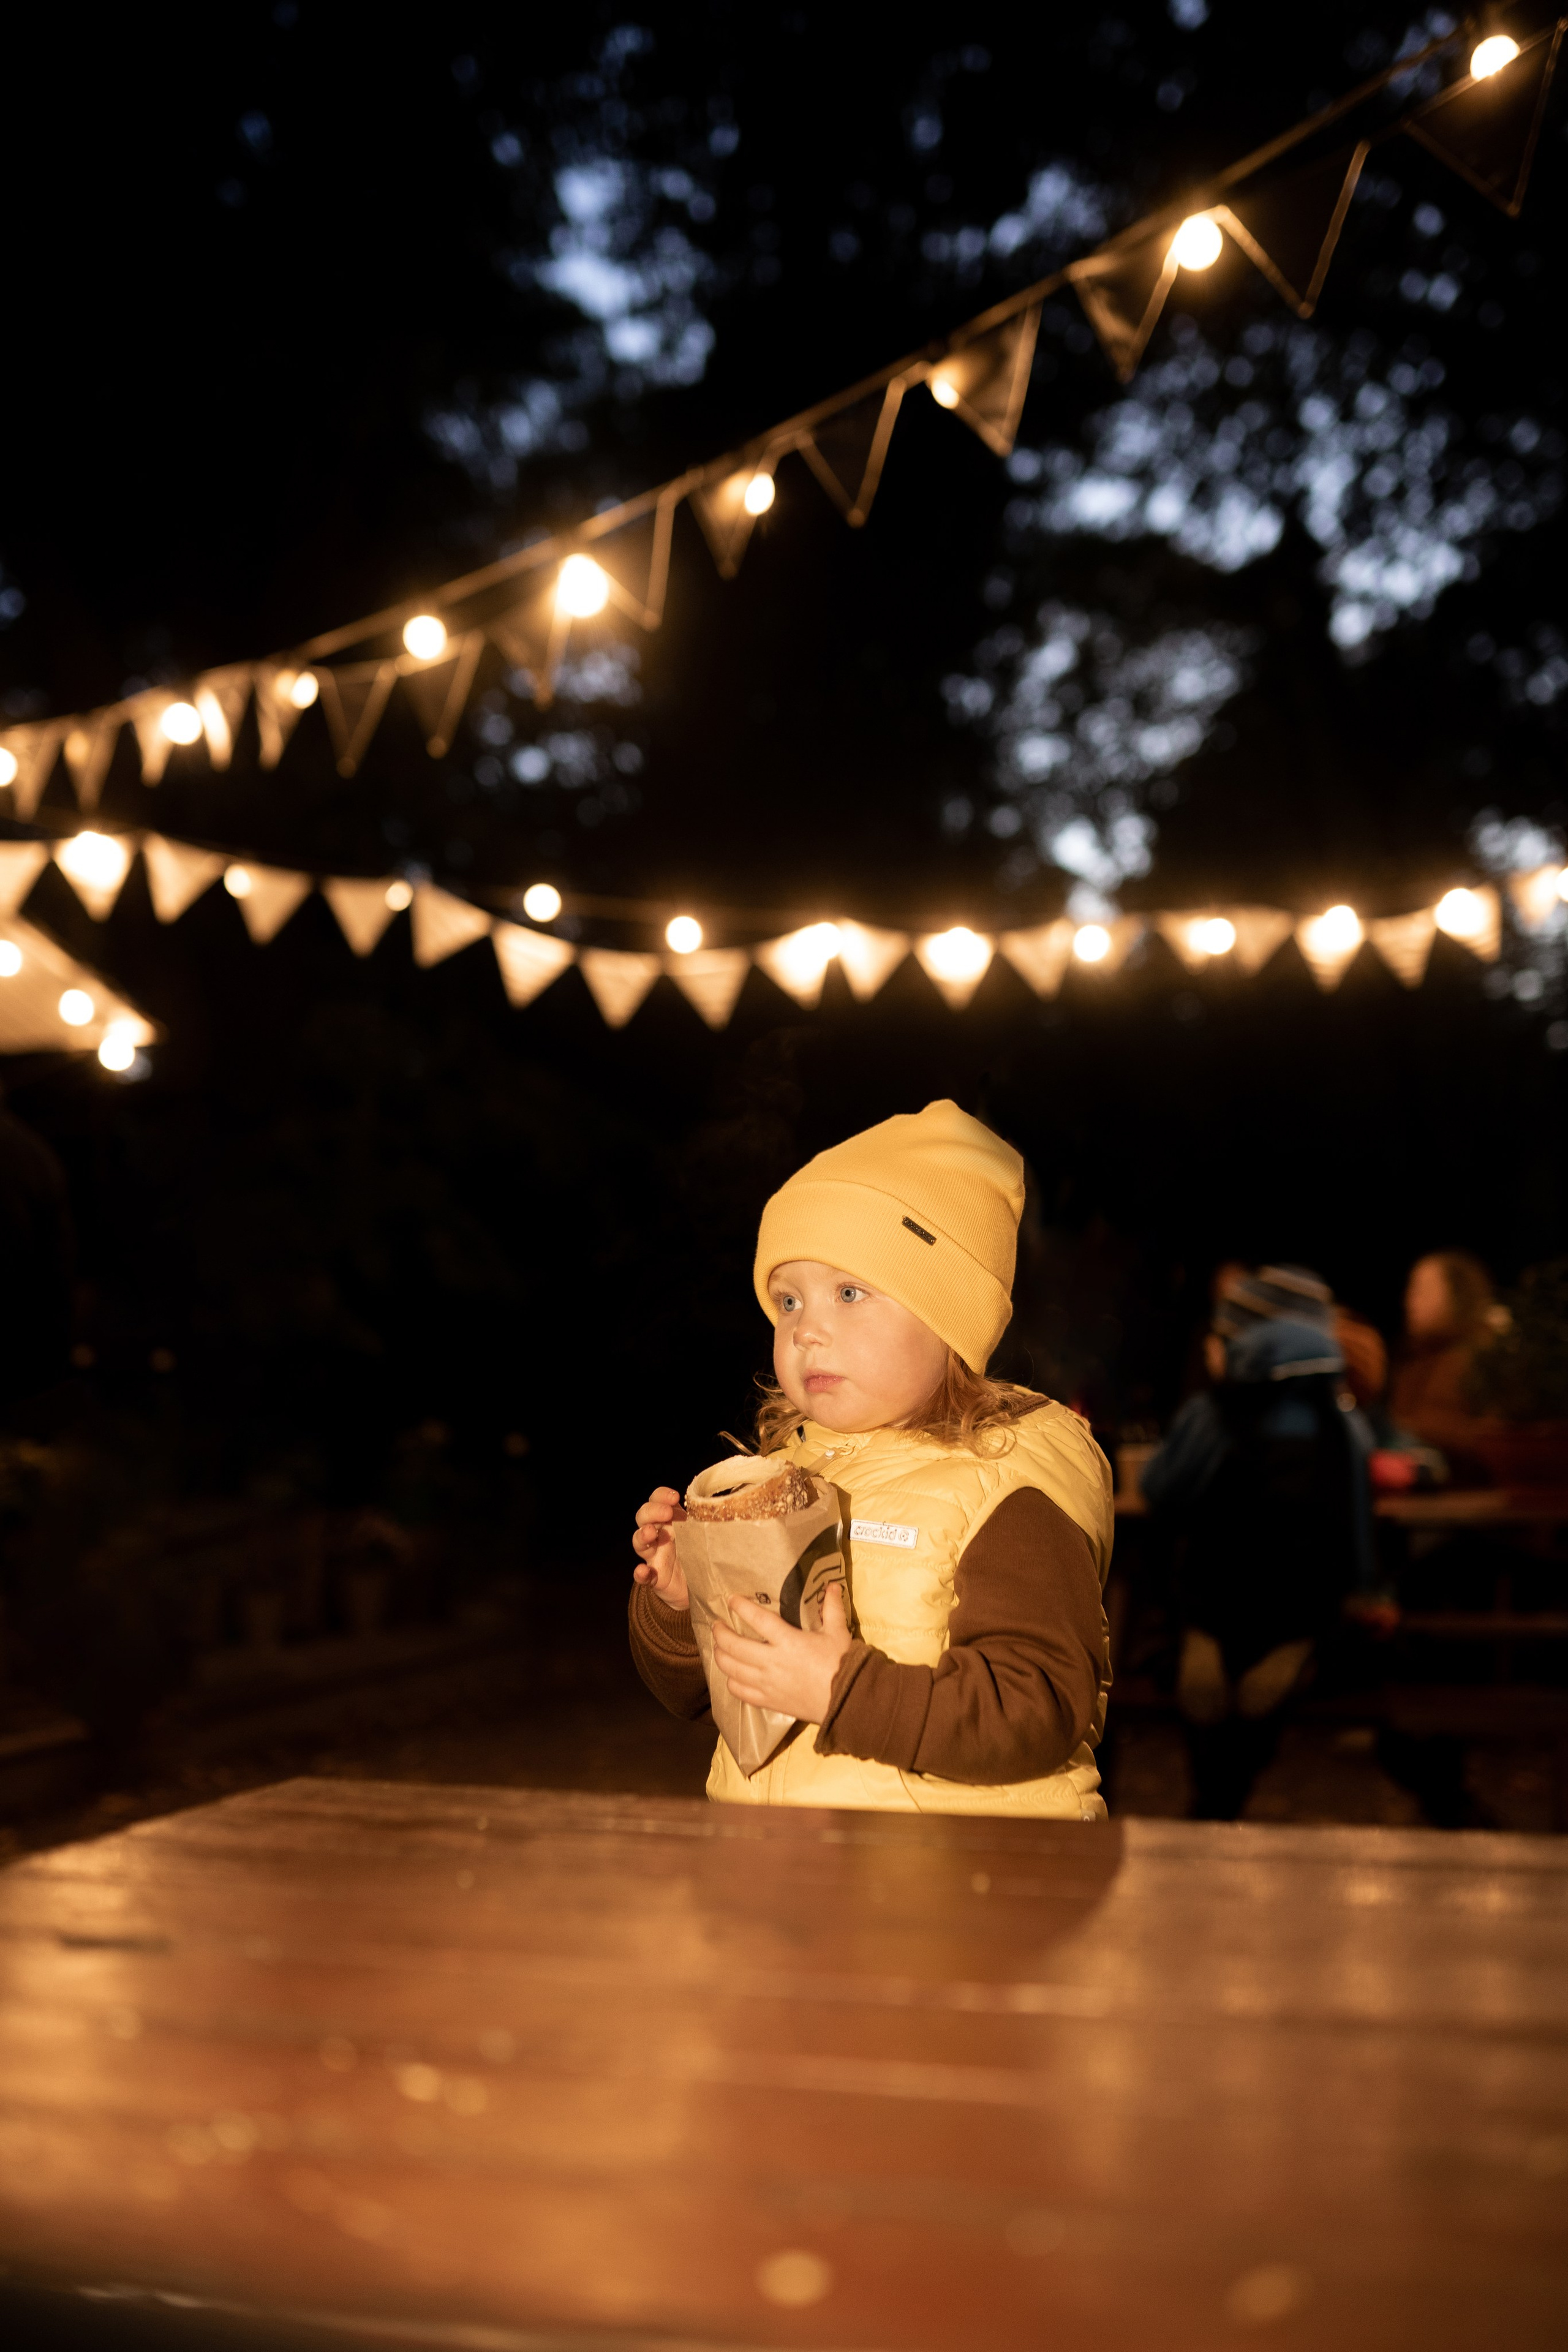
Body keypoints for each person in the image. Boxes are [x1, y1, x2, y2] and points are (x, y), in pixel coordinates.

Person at [627, 1099, 1115, 1817]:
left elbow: (1037, 1706)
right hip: (783, 1865)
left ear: (948, 1317)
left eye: (849, 1292)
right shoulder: (785, 1480)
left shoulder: (1007, 1489)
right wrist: (682, 1604)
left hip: (963, 1873)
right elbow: (705, 1696)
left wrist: (842, 1691)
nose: (806, 1330)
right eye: (788, 1302)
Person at [1141, 1265, 1375, 1819]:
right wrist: (1366, 1589)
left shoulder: (1210, 1417)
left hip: (1216, 1599)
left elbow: (1159, 1490)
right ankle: (1287, 1658)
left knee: (1197, 1683)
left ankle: (1212, 1794)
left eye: (1221, 1338)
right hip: (1304, 1606)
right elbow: (1357, 1521)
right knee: (1266, 1692)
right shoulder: (1343, 1424)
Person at [1389, 1251, 1501, 1476]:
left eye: (1422, 1291)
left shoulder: (1483, 1359)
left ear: (1459, 1296)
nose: (1410, 1302)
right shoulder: (1416, 1360)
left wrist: (1410, 1430)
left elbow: (1495, 1438)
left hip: (1470, 1493)